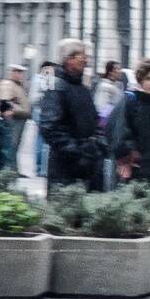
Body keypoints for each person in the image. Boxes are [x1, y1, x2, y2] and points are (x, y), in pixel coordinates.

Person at [38, 40, 106, 191]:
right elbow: (49, 127)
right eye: (82, 56)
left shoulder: (82, 88)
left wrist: (97, 146)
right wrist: (76, 151)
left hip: (88, 163)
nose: (85, 60)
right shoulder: (56, 87)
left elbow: (93, 120)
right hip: (66, 167)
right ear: (69, 59)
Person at [110, 58, 150, 188]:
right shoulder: (130, 100)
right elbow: (118, 132)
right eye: (149, 79)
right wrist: (126, 157)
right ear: (140, 79)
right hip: (131, 169)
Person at [0, 64, 31, 171]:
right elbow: (4, 101)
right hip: (13, 119)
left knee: (15, 144)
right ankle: (9, 169)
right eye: (17, 72)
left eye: (21, 72)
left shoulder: (17, 85)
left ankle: (13, 168)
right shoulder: (8, 84)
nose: (20, 75)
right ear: (12, 72)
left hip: (19, 117)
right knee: (11, 144)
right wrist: (8, 115)